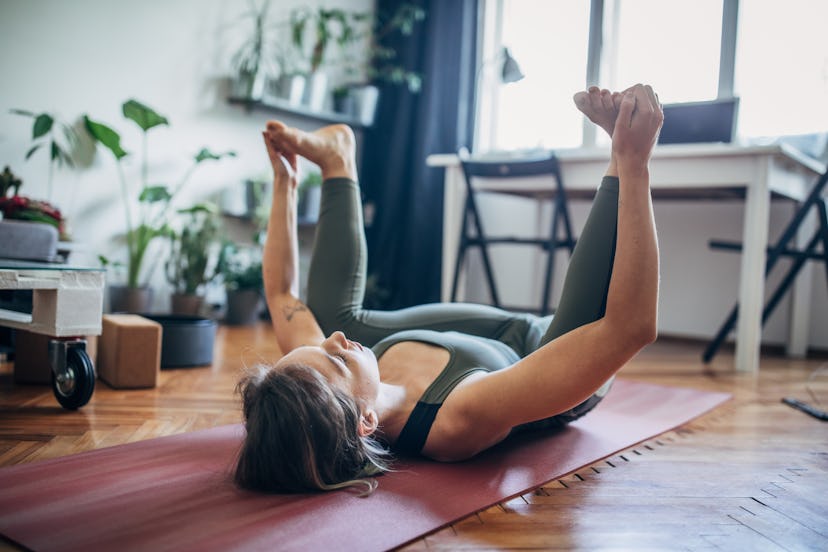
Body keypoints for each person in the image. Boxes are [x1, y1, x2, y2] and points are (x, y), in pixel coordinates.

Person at [234, 84, 663, 494]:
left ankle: (337, 162)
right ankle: (615, 161)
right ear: (366, 421)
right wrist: (633, 163)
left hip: (486, 341)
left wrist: (284, 182)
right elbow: (629, 329)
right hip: (551, 360)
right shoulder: (456, 416)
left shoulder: (337, 375)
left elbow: (281, 295)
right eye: (337, 359)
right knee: (566, 335)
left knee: (326, 314)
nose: (336, 340)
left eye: (323, 345)